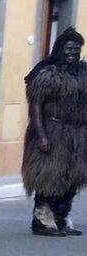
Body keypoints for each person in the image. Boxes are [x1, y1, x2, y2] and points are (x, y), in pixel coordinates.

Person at [21, 28, 87, 237]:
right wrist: (41, 135)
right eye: (68, 50)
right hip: (53, 132)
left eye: (76, 51)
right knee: (50, 178)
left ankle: (61, 218)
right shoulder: (46, 73)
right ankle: (42, 220)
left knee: (71, 179)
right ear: (59, 49)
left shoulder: (82, 73)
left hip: (77, 135)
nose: (72, 54)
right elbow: (36, 106)